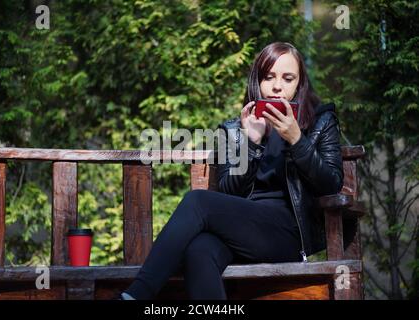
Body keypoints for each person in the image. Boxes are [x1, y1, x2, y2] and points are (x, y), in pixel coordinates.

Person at [119, 42, 343, 300]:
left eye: (287, 78)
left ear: (299, 83)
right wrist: (251, 144)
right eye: (268, 77)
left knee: (197, 201)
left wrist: (296, 140)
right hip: (242, 231)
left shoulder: (320, 120)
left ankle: (136, 295)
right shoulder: (234, 130)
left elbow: (331, 184)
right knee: (199, 250)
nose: (277, 86)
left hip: (286, 234)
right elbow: (230, 191)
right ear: (257, 81)